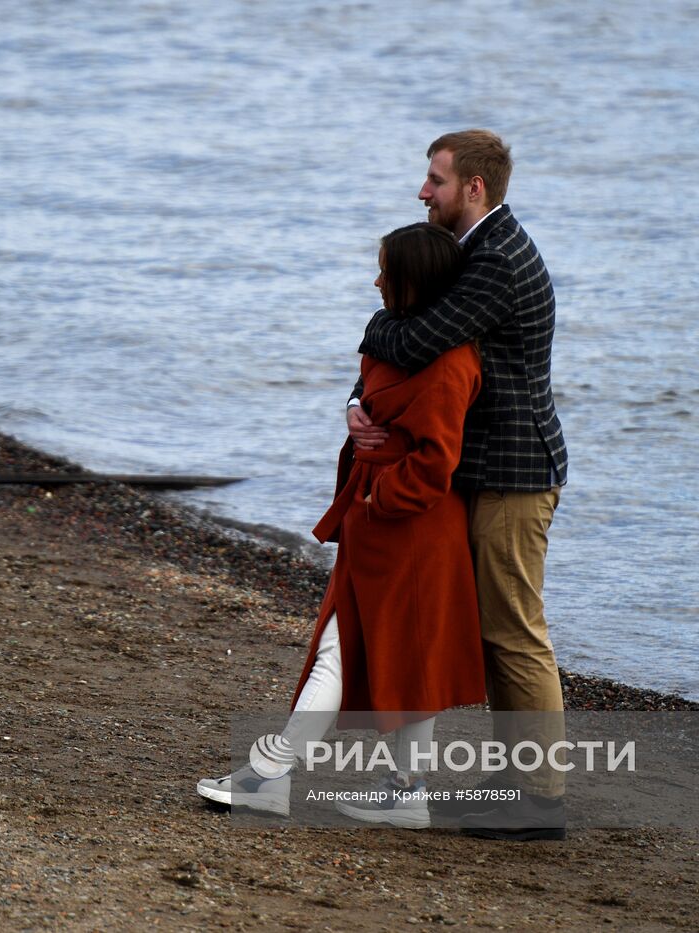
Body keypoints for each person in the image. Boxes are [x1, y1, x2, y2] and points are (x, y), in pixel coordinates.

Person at [197, 223, 487, 828]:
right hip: (384, 520)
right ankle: (405, 791)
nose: (376, 279)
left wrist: (379, 502)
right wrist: (353, 413)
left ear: (415, 281)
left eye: (387, 270)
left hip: (410, 527)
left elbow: (436, 465)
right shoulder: (396, 337)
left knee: (345, 647)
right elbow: (368, 395)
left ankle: (270, 772)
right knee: (402, 658)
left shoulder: (450, 362)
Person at [348, 130, 568, 840]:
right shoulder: (473, 253)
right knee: (495, 631)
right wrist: (362, 398)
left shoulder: (496, 260)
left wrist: (369, 332)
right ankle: (514, 784)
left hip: (515, 472)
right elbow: (415, 340)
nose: (422, 192)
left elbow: (414, 341)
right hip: (487, 468)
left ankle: (538, 799)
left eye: (435, 181)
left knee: (514, 632)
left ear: (474, 188)